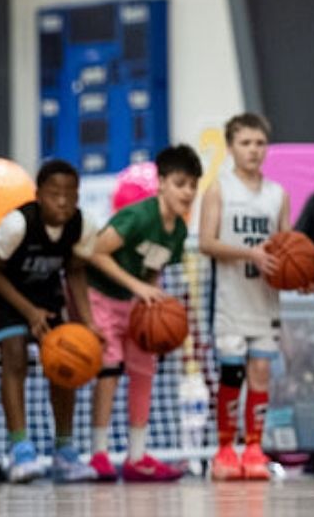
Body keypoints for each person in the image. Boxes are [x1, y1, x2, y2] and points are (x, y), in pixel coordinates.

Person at [82, 144, 202, 484]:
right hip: (100, 295)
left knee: (144, 369)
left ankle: (137, 456)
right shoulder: (138, 215)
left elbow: (153, 268)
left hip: (134, 303)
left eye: (193, 185)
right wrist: (139, 288)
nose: (188, 192)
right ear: (161, 182)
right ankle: (99, 453)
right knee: (110, 366)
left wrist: (152, 296)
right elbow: (95, 252)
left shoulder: (177, 230)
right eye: (181, 183)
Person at [0, 159, 98, 484]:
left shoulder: (81, 224)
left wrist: (87, 321)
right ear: (38, 195)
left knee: (68, 362)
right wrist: (29, 311)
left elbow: (74, 270)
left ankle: (64, 451)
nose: (62, 200)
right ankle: (21, 450)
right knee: (15, 357)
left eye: (70, 194)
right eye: (54, 193)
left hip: (48, 299)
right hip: (9, 297)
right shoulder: (18, 224)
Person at [199, 113, 290, 482]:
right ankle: (225, 449)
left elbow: (287, 247)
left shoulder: (277, 194)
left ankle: (253, 447)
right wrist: (250, 254)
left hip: (263, 299)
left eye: (259, 143)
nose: (253, 150)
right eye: (246, 143)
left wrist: (299, 274)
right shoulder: (219, 189)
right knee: (232, 373)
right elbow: (206, 242)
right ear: (231, 147)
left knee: (262, 372)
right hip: (228, 300)